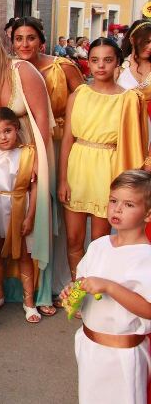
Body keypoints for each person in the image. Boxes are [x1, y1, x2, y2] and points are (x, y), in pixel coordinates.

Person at [0, 21, 56, 314]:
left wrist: (40, 164)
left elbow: (43, 120)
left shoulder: (22, 71)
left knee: (32, 231)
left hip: (29, 159)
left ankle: (38, 295)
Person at [58, 37, 148, 281]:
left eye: (108, 60)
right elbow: (67, 139)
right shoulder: (78, 95)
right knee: (74, 240)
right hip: (78, 168)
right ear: (88, 62)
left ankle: (96, 291)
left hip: (107, 170)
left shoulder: (127, 100)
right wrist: (63, 180)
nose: (101, 66)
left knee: (100, 241)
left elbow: (133, 142)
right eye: (95, 60)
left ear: (118, 62)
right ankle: (76, 293)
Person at [61, 170, 151, 404]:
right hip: (90, 347)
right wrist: (73, 294)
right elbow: (82, 283)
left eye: (129, 204)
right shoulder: (99, 246)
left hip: (123, 357)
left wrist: (110, 287)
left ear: (148, 214)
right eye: (113, 201)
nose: (117, 209)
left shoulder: (146, 257)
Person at [12, 16, 85, 299]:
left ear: (41, 40)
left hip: (60, 141)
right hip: (26, 140)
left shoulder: (61, 65)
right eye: (19, 38)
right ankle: (32, 279)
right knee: (33, 207)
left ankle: (62, 279)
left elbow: (83, 99)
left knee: (59, 206)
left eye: (30, 38)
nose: (24, 44)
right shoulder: (12, 67)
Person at [0, 108, 40, 323]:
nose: (3, 137)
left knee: (24, 254)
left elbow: (35, 188)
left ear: (16, 128)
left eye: (7, 131)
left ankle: (29, 302)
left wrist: (30, 216)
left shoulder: (28, 154)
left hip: (19, 205)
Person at [118, 20, 151, 144]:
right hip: (125, 131)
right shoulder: (119, 70)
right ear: (133, 40)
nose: (150, 47)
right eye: (147, 42)